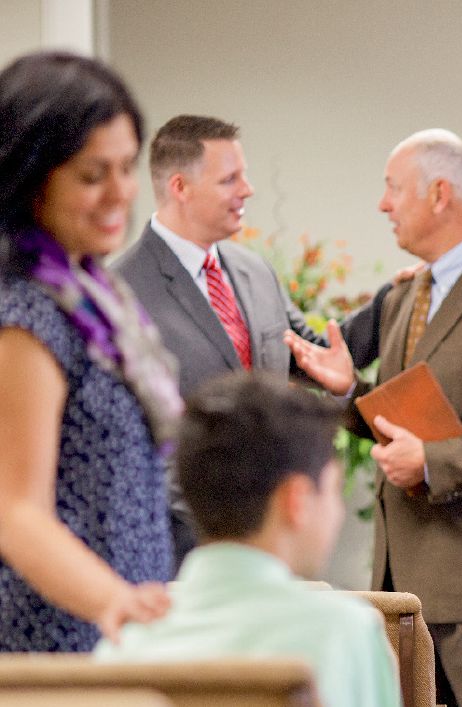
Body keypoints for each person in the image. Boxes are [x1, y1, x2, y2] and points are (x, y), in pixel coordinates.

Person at [285, 129, 462, 707]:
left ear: (440, 194)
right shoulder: (404, 296)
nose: (383, 205)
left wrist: (431, 461)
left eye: (393, 189)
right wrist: (348, 392)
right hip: (399, 590)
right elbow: (402, 416)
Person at [0, 51, 178, 651]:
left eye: (127, 167)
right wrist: (114, 600)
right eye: (92, 174)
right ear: (29, 177)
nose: (120, 194)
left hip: (114, 633)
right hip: (54, 641)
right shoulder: (23, 316)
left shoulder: (92, 292)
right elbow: (14, 512)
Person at [95, 372, 402, 707]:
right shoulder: (346, 635)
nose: (338, 512)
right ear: (296, 500)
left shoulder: (123, 644)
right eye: (332, 491)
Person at [114, 115, 323, 567]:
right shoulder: (121, 291)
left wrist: (396, 298)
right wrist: (217, 527)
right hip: (177, 552)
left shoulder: (256, 272)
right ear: (180, 187)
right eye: (230, 179)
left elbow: (308, 350)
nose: (247, 190)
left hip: (272, 541)